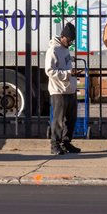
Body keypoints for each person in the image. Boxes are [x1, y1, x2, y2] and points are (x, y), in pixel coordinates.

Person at [46, 22, 81, 155]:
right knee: (58, 119)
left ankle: (66, 142)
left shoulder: (65, 49)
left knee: (71, 119)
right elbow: (49, 71)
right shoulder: (53, 50)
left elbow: (63, 61)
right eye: (69, 40)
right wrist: (68, 74)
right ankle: (54, 144)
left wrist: (71, 60)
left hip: (69, 89)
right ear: (63, 37)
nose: (71, 43)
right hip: (58, 90)